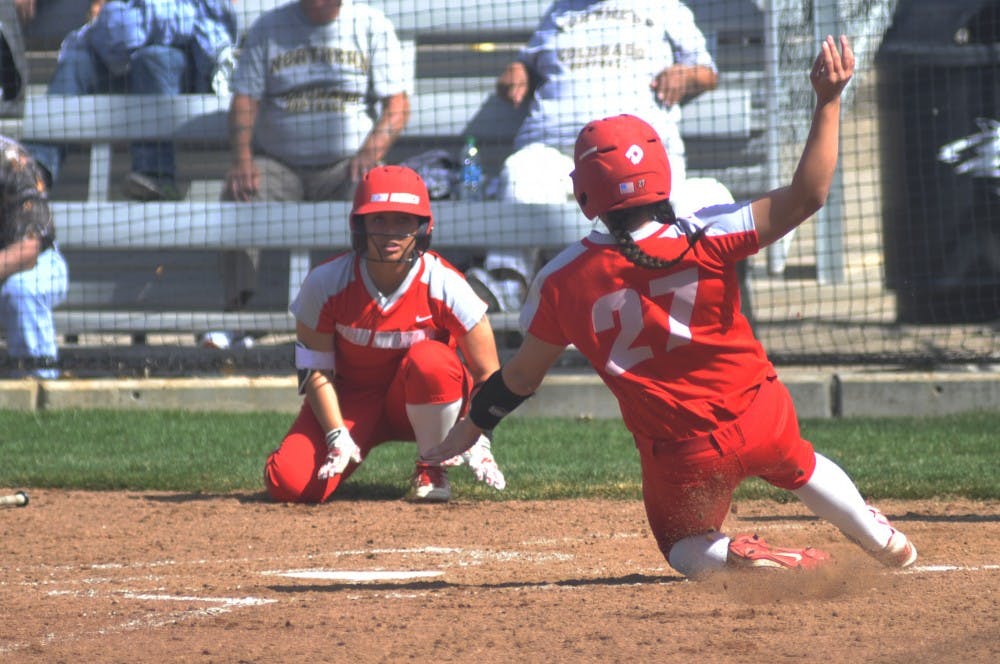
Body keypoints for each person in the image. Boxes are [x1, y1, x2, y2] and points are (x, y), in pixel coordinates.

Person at [424, 37, 919, 577]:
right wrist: (827, 100)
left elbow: (520, 377)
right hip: (760, 412)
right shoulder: (707, 231)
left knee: (682, 544)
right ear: (661, 173)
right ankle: (881, 538)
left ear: (586, 193)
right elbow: (809, 194)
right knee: (799, 463)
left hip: (683, 453)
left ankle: (760, 559)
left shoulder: (560, 279)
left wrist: (473, 424)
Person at [264, 165, 505, 504]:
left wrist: (479, 433)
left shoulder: (446, 283)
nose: (391, 233)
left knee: (432, 360)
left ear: (422, 227)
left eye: (403, 221)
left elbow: (489, 375)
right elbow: (315, 369)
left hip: (429, 399)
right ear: (359, 226)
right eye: (379, 220)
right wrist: (335, 435)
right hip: (351, 400)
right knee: (287, 484)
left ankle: (432, 466)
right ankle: (342, 444)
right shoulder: (325, 283)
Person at [467, 0, 720, 312]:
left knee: (702, 199)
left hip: (639, 160)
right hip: (561, 159)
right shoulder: (561, 9)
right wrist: (519, 70)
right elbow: (528, 61)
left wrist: (687, 75)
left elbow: (708, 73)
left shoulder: (664, 6)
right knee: (521, 171)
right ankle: (507, 284)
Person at [202, 0, 412, 350]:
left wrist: (370, 153)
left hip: (346, 166)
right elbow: (244, 99)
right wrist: (242, 159)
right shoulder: (269, 27)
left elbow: (398, 105)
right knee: (240, 192)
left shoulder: (371, 25)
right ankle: (236, 319)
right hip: (279, 164)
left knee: (376, 198)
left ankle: (369, 316)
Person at [25, 0, 238, 200]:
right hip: (127, 54)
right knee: (76, 61)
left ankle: (157, 174)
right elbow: (110, 28)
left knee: (154, 57)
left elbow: (188, 23)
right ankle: (36, 169)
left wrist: (129, 18)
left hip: (187, 64)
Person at [0, 135, 69, 378]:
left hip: (36, 263)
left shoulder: (11, 160)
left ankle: (39, 384)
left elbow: (28, 249)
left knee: (22, 289)